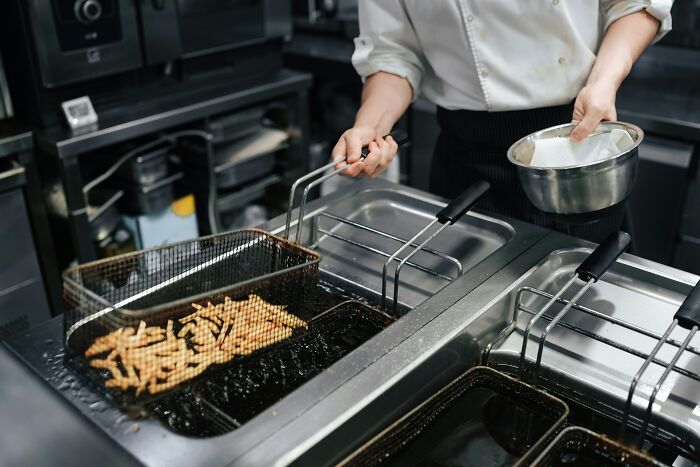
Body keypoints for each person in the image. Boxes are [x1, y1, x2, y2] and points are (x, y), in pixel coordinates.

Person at [332, 1, 672, 242]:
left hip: (573, 148)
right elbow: (393, 52)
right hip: (466, 160)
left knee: (580, 309)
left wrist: (603, 81)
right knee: (463, 312)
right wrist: (370, 126)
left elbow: (636, 5)